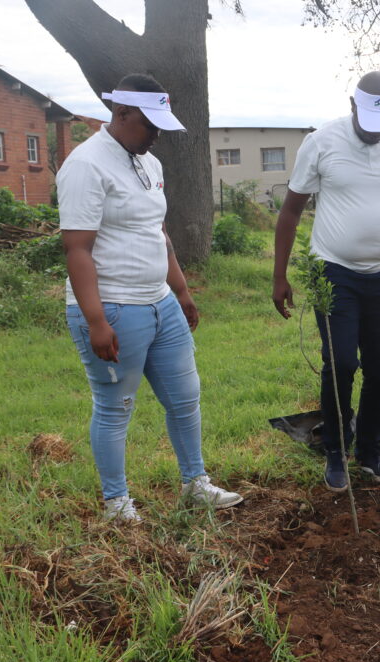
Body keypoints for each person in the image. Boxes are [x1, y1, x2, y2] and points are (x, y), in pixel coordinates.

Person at [59, 73, 243, 523]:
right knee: (115, 406)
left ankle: (195, 484)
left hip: (159, 301)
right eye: (149, 125)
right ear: (121, 114)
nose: (157, 135)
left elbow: (157, 232)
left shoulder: (148, 162)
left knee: (185, 397)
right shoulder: (86, 165)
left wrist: (180, 290)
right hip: (116, 306)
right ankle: (117, 504)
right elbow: (77, 248)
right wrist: (97, 321)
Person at [272, 71, 380, 493]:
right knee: (342, 363)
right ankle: (335, 452)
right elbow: (291, 211)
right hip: (334, 271)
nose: (376, 132)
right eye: (368, 122)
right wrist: (280, 276)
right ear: (352, 106)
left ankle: (370, 452)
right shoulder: (321, 142)